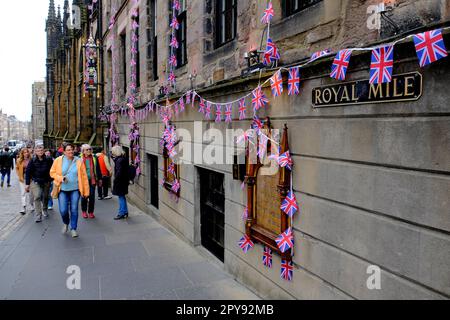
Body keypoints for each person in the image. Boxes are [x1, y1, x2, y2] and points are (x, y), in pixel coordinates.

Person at [50, 143, 89, 238]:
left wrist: (86, 192)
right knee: (63, 210)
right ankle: (66, 223)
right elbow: (52, 173)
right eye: (68, 150)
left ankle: (73, 228)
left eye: (72, 149)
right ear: (64, 151)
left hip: (75, 189)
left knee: (74, 209)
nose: (71, 151)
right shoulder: (58, 160)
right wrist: (60, 178)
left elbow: (84, 177)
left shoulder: (79, 161)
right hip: (63, 189)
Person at [25, 145, 53, 223]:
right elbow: (28, 172)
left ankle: (44, 208)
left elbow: (53, 169)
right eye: (38, 151)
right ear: (35, 152)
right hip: (35, 181)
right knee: (37, 196)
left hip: (46, 181)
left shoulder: (48, 159)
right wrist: (27, 184)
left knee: (46, 196)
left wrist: (51, 179)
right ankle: (38, 215)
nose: (40, 152)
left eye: (41, 150)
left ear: (43, 151)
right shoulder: (33, 160)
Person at [80, 144, 102, 219]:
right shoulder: (79, 159)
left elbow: (98, 169)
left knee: (92, 197)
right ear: (83, 151)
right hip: (83, 181)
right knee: (84, 197)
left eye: (90, 149)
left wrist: (100, 179)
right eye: (87, 149)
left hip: (92, 180)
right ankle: (84, 211)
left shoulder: (94, 157)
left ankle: (91, 212)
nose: (89, 150)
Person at [111, 146, 130, 220]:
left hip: (120, 182)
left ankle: (121, 213)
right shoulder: (122, 158)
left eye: (113, 151)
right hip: (124, 181)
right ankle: (125, 212)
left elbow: (119, 172)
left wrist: (116, 180)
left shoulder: (119, 160)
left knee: (121, 197)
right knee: (122, 197)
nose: (112, 153)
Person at [16, 148, 32, 215]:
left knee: (31, 193)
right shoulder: (19, 160)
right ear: (22, 153)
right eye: (24, 152)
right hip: (22, 179)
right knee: (23, 193)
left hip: (31, 179)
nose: (26, 153)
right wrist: (19, 176)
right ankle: (24, 208)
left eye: (27, 152)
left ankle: (32, 205)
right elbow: (17, 168)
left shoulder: (31, 160)